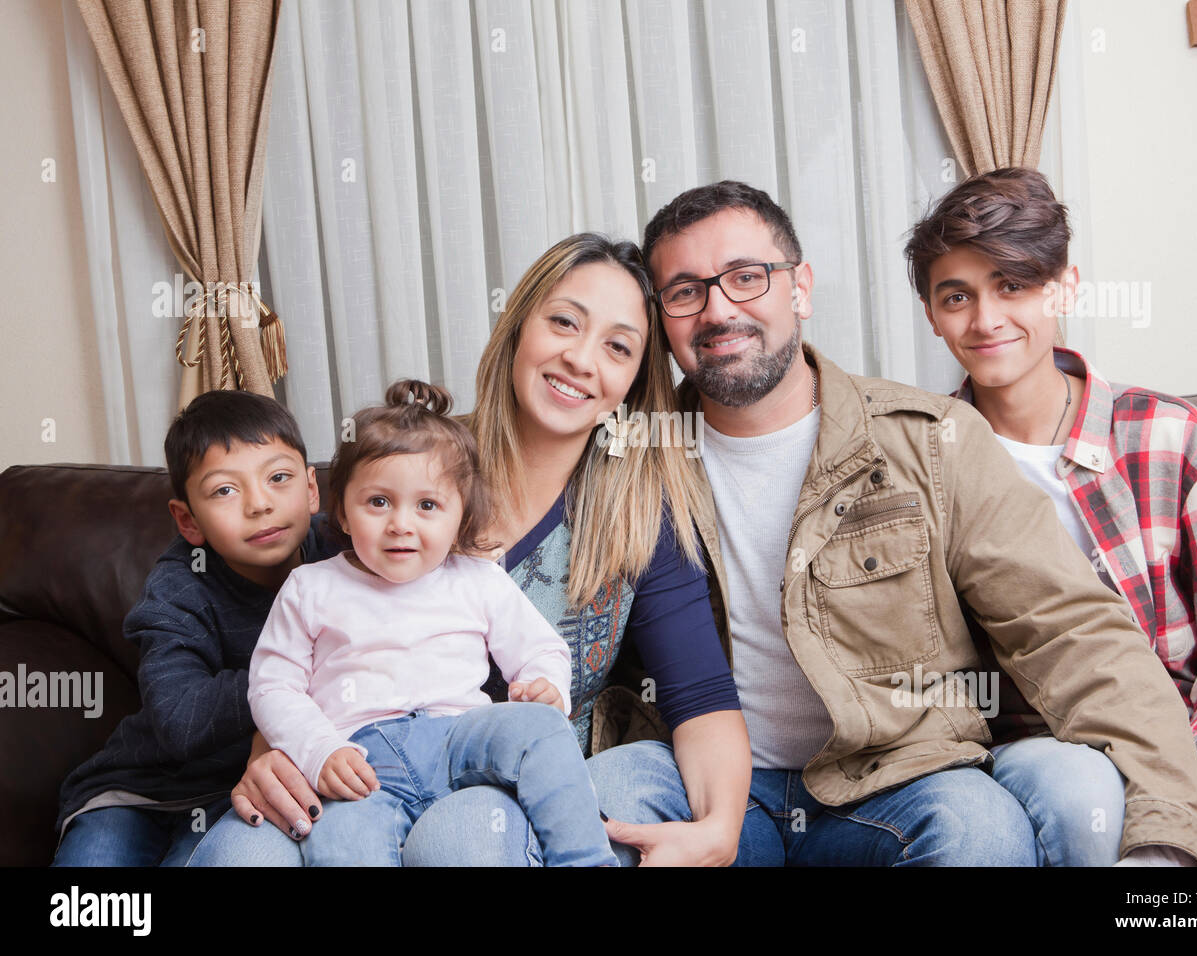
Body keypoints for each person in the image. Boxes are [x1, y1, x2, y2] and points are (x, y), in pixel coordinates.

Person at [586, 179, 1197, 866]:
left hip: (891, 783)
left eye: (746, 278)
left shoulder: (932, 440)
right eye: (685, 291)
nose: (718, 309)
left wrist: (1166, 842)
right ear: (662, 318)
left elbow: (1074, 636)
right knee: (610, 791)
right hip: (706, 780)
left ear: (800, 288)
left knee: (980, 827)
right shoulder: (630, 458)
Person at [188, 233, 748, 867]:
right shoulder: (400, 465)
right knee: (239, 856)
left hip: (524, 775)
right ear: (517, 328)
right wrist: (271, 754)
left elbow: (700, 695)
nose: (581, 359)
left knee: (461, 841)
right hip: (357, 769)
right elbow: (303, 649)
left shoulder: (640, 513)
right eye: (563, 321)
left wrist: (722, 828)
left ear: (633, 381)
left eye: (617, 346)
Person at [905, 166, 1197, 863]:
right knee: (1078, 791)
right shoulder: (922, 469)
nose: (986, 319)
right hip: (1049, 754)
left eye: (1013, 286)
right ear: (933, 316)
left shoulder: (1181, 442)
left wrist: (1174, 784)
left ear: (1066, 286)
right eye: (957, 296)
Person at [244, 379, 616, 866]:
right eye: (378, 502)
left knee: (541, 728)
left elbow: (540, 649)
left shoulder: (478, 578)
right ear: (344, 511)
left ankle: (586, 860)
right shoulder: (310, 587)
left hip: (459, 737)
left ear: (460, 516)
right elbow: (272, 688)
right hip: (359, 760)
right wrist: (319, 752)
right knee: (340, 843)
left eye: (427, 505)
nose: (401, 523)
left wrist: (544, 686)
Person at [52, 390, 337, 866]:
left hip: (234, 796)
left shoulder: (343, 550)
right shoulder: (180, 585)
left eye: (279, 478)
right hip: (140, 791)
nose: (259, 504)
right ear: (188, 520)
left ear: (311, 489)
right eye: (225, 490)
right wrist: (294, 677)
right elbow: (180, 720)